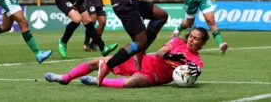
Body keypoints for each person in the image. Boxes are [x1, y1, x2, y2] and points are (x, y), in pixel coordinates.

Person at [44, 27, 208, 88]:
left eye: (196, 39)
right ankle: (64, 78)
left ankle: (97, 81)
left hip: (155, 76)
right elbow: (159, 53)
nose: (192, 40)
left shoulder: (197, 61)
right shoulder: (178, 41)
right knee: (97, 62)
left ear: (202, 43)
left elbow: (197, 70)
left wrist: (196, 72)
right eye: (191, 37)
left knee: (131, 83)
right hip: (144, 61)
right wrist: (173, 55)